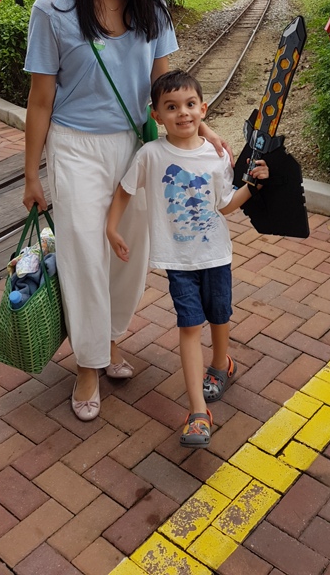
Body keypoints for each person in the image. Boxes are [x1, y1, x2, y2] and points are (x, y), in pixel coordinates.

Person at [23, 0, 229, 421]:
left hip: (138, 145)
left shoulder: (151, 7)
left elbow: (166, 91)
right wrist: (31, 174)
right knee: (83, 255)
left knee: (129, 254)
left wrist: (202, 132)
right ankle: (88, 364)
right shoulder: (52, 8)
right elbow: (40, 100)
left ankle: (111, 340)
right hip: (75, 147)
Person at [106, 70, 269, 447]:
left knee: (220, 314)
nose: (183, 113)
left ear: (203, 109)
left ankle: (221, 364)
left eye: (190, 104)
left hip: (215, 255)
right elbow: (125, 190)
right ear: (156, 115)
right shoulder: (151, 155)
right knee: (190, 326)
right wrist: (112, 228)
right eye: (172, 107)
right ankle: (198, 412)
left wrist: (252, 186)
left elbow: (225, 205)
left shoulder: (216, 157)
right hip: (178, 262)